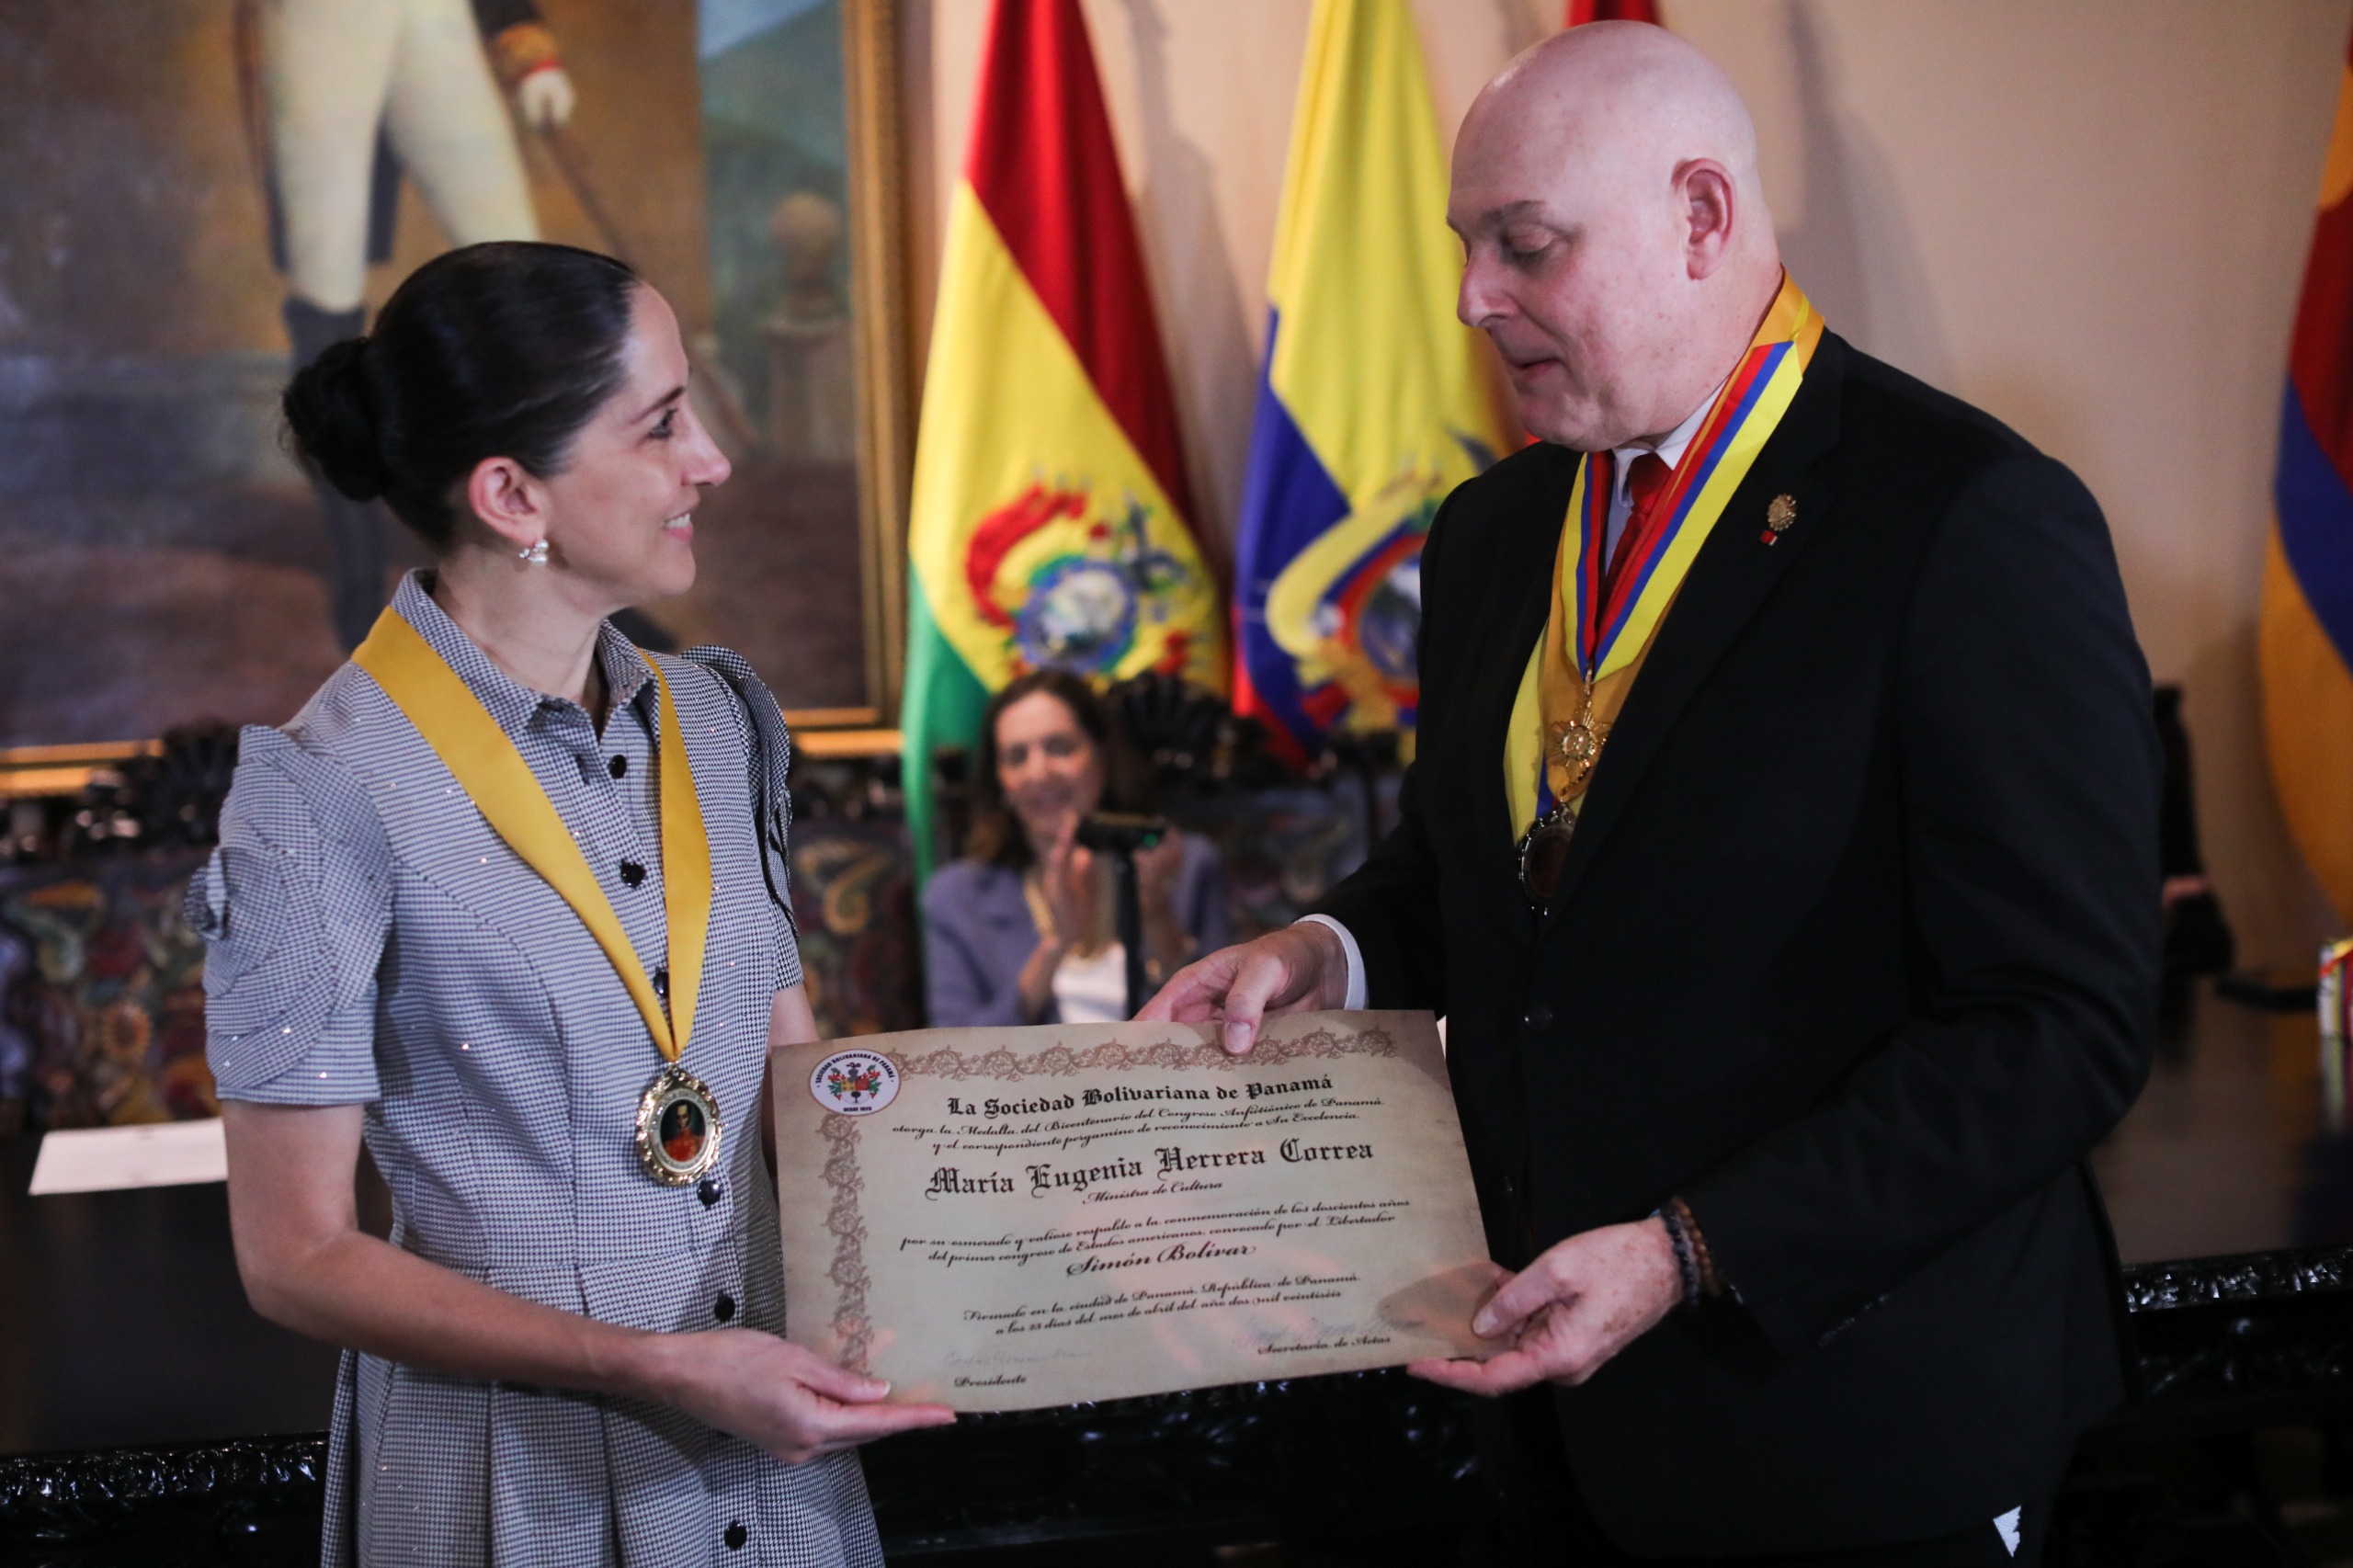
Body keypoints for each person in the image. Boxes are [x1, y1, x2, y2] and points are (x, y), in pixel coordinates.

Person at [1143, 24, 2158, 1566]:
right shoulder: (1490, 535)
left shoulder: (1963, 520)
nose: (1477, 294)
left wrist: (1694, 1254)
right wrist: (1320, 954)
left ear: (1701, 215)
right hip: (1551, 1432)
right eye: (1468, 244)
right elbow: (1484, 877)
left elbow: (2058, 1026)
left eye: (1524, 244)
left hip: (1856, 1432)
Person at [189, 241, 951, 1567]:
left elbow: (789, 1082)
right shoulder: (319, 786)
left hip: (775, 1457)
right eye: (662, 424)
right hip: (512, 1486)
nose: (710, 458)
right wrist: (657, 1364)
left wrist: (1048, 1191)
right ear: (510, 492)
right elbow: (294, 1255)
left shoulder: (719, 718)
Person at [252, 0, 578, 651]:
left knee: (515, 268)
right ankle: (359, 596)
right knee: (328, 284)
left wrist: (525, 49)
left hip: (435, 17)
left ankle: (558, 564)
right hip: (325, 21)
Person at [923, 670, 1231, 1027]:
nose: (1038, 773)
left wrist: (1157, 918)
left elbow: (1227, 1023)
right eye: (1016, 757)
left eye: (1060, 748)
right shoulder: (957, 896)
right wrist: (1054, 946)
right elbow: (954, 1055)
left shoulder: (1187, 865)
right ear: (1000, 781)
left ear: (1101, 756)